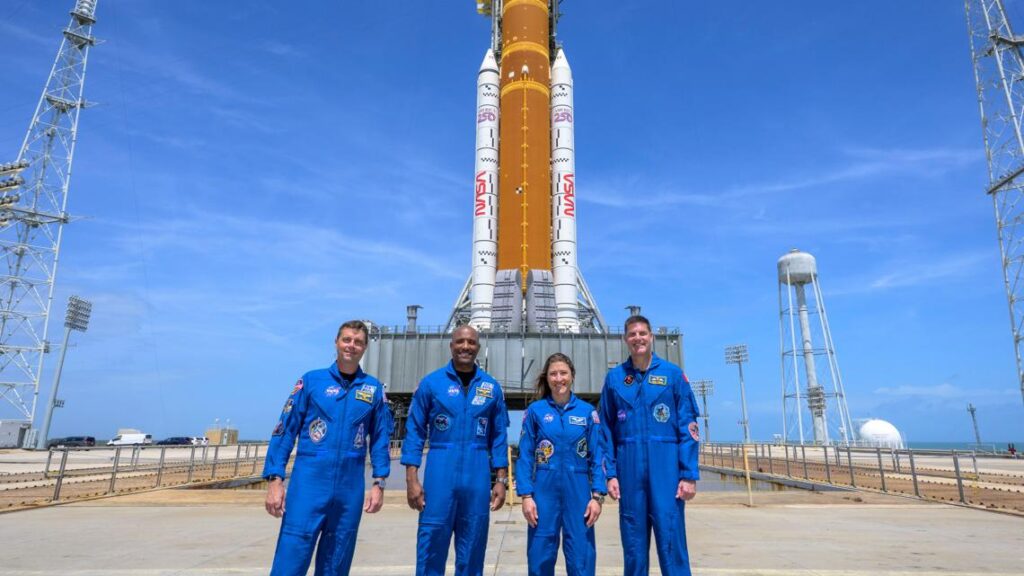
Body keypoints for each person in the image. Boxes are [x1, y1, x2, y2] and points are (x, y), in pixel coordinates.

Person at [262, 320, 394, 576]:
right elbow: (285, 430)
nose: (351, 346)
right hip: (309, 483)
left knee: (337, 559)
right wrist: (275, 479)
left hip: (349, 489)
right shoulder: (311, 382)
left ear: (365, 347)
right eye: (346, 340)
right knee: (291, 555)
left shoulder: (374, 389)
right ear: (336, 342)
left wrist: (379, 483)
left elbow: (380, 439)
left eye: (357, 342)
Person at [401, 324, 510, 576]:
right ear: (451, 346)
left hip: (477, 475)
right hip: (440, 472)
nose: (465, 346)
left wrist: (501, 480)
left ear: (478, 348)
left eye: (471, 342)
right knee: (431, 546)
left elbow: (499, 436)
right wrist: (411, 479)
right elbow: (415, 432)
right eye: (460, 341)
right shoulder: (431, 384)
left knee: (472, 548)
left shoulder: (491, 388)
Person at [598, 315, 700, 576]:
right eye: (632, 334)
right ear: (625, 339)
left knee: (671, 540)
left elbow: (688, 427)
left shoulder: (673, 375)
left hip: (665, 470)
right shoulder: (615, 379)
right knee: (633, 546)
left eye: (642, 333)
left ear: (651, 336)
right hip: (629, 470)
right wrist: (610, 474)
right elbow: (605, 430)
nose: (638, 338)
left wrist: (688, 474)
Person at [516, 353, 606, 576]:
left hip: (578, 491)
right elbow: (525, 455)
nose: (559, 379)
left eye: (563, 373)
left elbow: (598, 457)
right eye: (553, 374)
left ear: (572, 376)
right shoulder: (535, 411)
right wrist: (526, 496)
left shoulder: (588, 413)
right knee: (540, 555)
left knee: (581, 556)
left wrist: (597, 497)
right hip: (544, 491)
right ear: (547, 378)